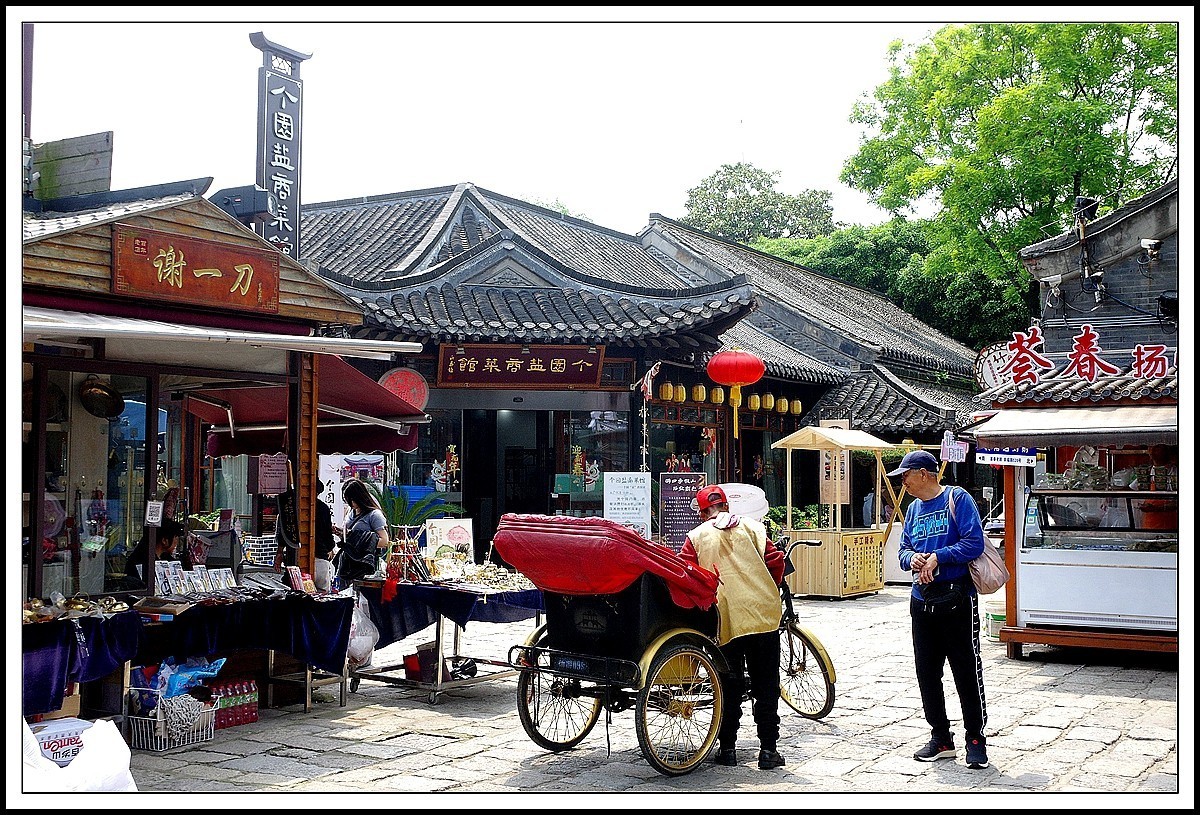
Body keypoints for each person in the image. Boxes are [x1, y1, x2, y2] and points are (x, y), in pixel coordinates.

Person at [889, 449, 990, 770]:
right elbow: (903, 550)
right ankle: (941, 737)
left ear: (923, 473)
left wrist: (937, 557)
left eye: (905, 475)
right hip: (921, 601)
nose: (903, 482)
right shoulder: (913, 509)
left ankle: (975, 738)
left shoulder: (957, 499)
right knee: (927, 673)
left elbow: (974, 543)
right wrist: (913, 559)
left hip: (957, 599)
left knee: (965, 670)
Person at [679, 485, 787, 770]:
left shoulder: (696, 537)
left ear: (702, 513)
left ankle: (727, 748)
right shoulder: (754, 528)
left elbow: (687, 575)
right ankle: (768, 750)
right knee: (766, 684)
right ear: (727, 506)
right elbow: (775, 562)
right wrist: (768, 586)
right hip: (762, 615)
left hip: (725, 618)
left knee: (728, 684)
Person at [335, 478, 389, 584]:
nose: (350, 503)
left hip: (364, 566)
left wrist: (360, 540)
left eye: (352, 500)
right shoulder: (350, 512)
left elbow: (384, 541)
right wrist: (342, 533)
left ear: (360, 497)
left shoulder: (374, 515)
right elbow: (351, 536)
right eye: (346, 500)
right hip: (348, 563)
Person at [123, 517, 189, 590]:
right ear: (164, 541)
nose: (177, 541)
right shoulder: (143, 560)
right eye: (175, 537)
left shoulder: (165, 557)